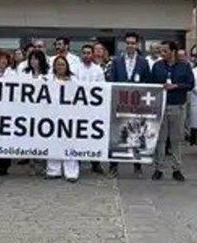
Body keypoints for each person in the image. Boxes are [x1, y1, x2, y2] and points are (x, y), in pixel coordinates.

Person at [107, 32, 151, 178]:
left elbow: (148, 83)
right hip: (120, 103)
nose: (130, 45)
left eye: (133, 43)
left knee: (136, 134)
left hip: (137, 105)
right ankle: (113, 166)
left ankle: (137, 166)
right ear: (125, 44)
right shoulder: (117, 61)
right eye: (128, 43)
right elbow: (112, 80)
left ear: (137, 44)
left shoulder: (143, 62)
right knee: (117, 134)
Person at [150, 41, 194, 181]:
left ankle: (177, 168)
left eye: (165, 51)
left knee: (176, 139)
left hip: (177, 106)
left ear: (173, 52)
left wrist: (176, 86)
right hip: (161, 106)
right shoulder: (157, 66)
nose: (162, 54)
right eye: (161, 51)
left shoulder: (184, 66)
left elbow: (190, 84)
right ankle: (159, 168)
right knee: (160, 139)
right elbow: (150, 83)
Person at [47, 55, 80, 182]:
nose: (60, 67)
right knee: (53, 141)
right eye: (58, 64)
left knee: (70, 143)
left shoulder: (73, 80)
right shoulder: (49, 79)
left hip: (69, 115)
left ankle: (71, 171)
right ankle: (53, 170)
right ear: (54, 66)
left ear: (67, 66)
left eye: (63, 64)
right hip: (52, 115)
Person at [76, 44, 106, 174]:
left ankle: (95, 163)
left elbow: (103, 87)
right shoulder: (75, 68)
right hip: (78, 107)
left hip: (93, 108)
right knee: (78, 135)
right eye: (84, 53)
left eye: (89, 53)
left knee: (93, 135)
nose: (86, 55)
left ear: (92, 54)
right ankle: (76, 161)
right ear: (81, 54)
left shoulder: (98, 69)